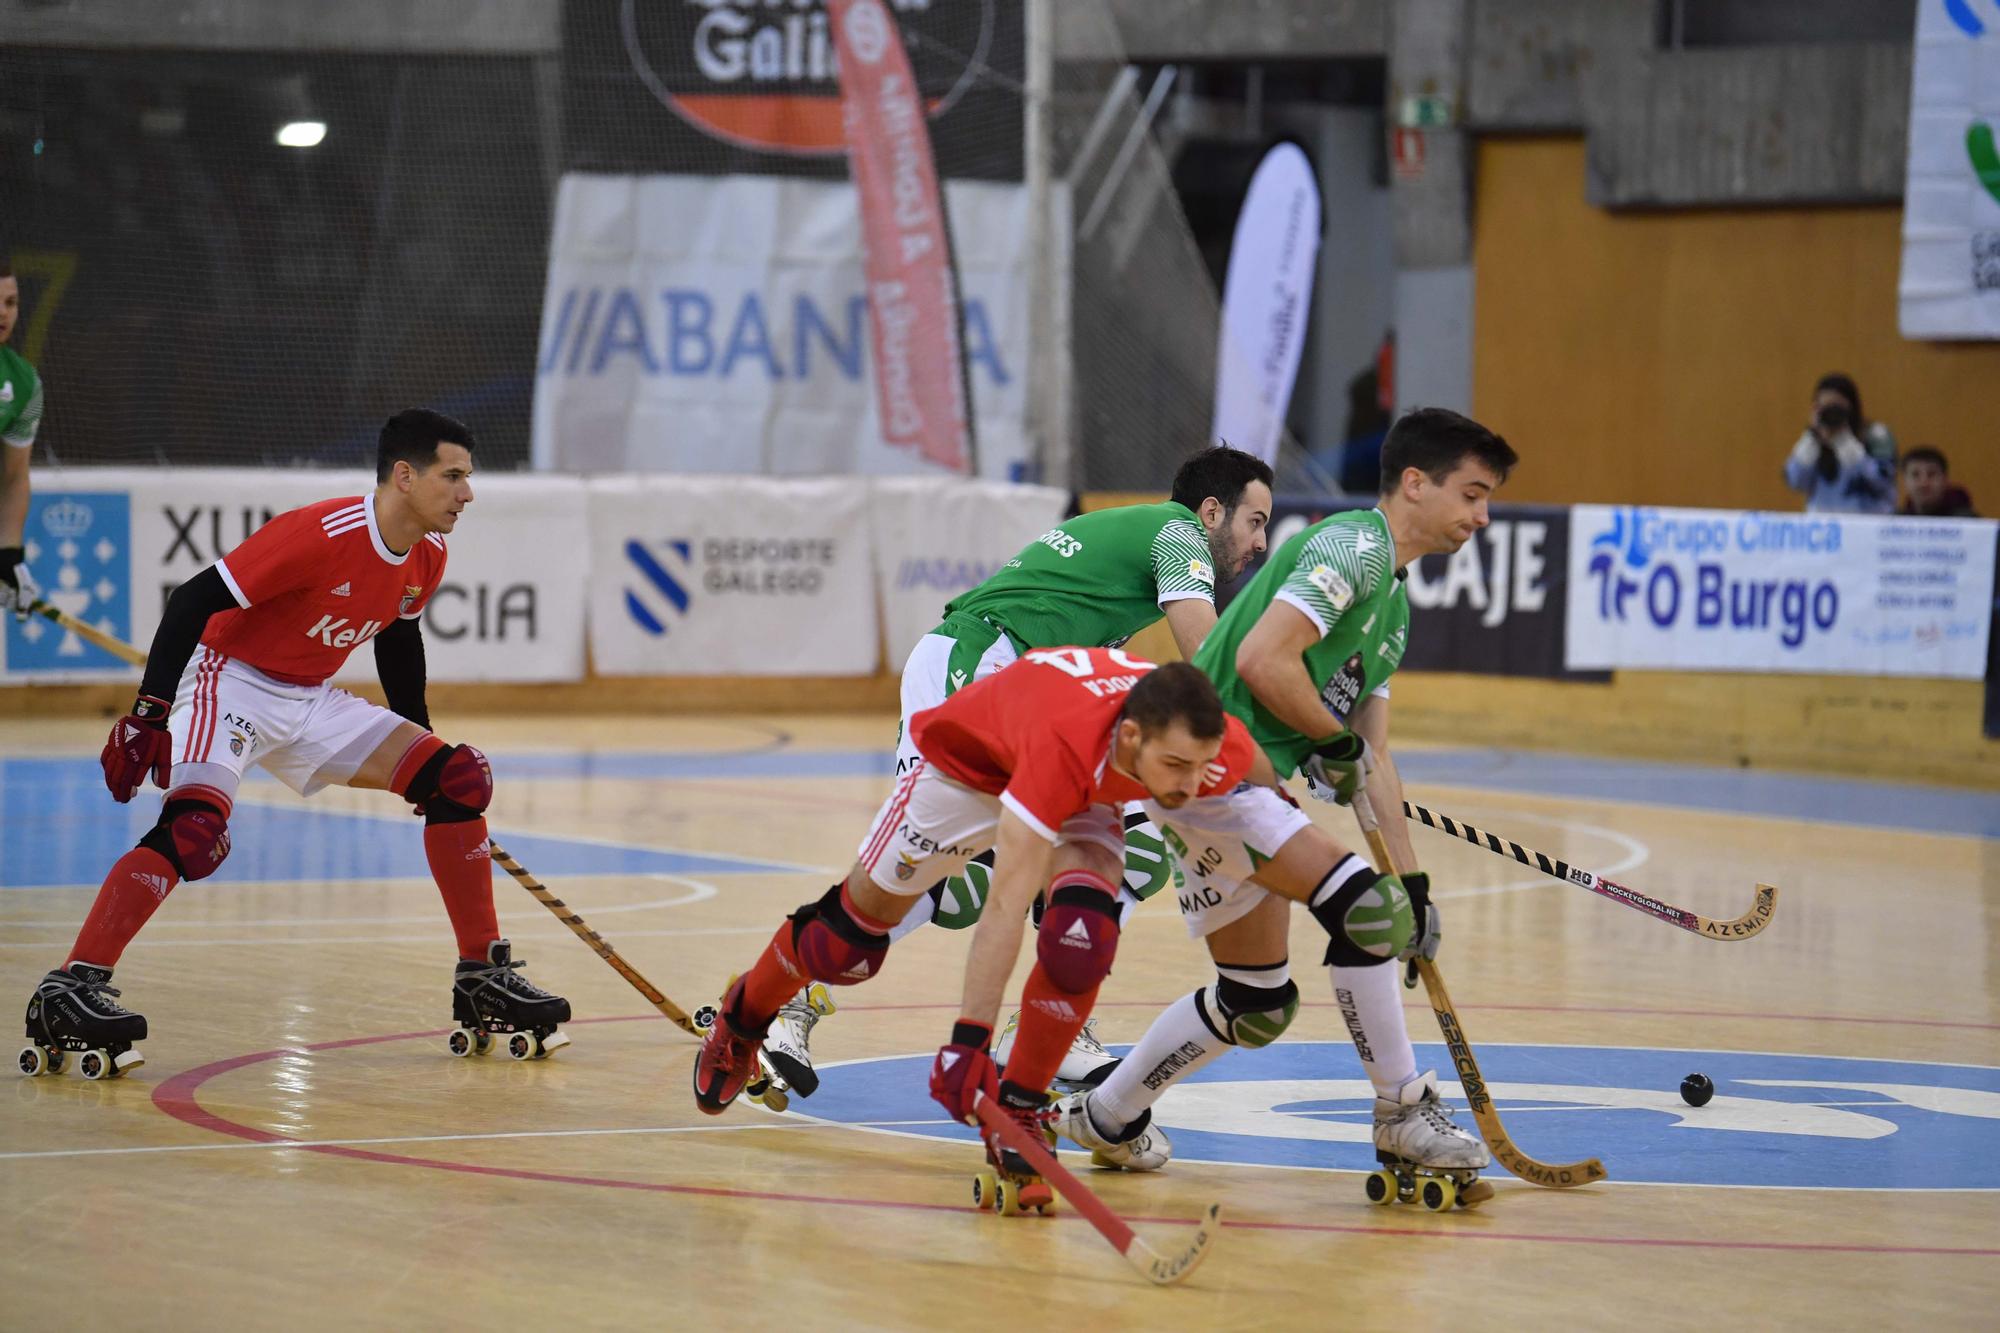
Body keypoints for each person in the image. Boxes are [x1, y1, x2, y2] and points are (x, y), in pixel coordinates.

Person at [1050, 408, 1516, 1204]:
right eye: (1471, 494)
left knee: (1255, 998)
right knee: (1364, 917)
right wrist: (1333, 747)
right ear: (1414, 482)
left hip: (1237, 789)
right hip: (1216, 769)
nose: (1481, 516)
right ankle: (1402, 1108)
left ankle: (1105, 1114)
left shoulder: (1393, 615)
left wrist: (1412, 883)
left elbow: (1375, 760)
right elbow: (1267, 661)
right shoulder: (1351, 547)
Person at [18, 410, 569, 1080]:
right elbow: (192, 599)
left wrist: (421, 753)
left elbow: (399, 639)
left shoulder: (428, 552)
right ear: (404, 475)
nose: (467, 492)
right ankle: (69, 987)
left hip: (309, 699)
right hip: (231, 683)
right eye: (453, 476)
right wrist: (148, 714)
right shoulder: (322, 532)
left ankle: (482, 980)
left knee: (457, 779)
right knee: (194, 831)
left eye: (467, 478)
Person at [755, 446, 1274, 1099]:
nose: (1259, 542)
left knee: (1137, 850)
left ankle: (1050, 1031)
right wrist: (1267, 740)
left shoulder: (1121, 564)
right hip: (977, 664)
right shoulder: (1178, 534)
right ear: (1211, 511)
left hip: (1028, 683)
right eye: (1254, 521)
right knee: (944, 866)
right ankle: (792, 998)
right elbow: (1207, 651)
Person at [690, 651, 1265, 1211]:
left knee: (1081, 942)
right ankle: (744, 1017)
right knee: (846, 948)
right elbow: (1004, 907)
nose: (1190, 788)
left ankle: (1020, 1108)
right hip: (969, 769)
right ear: (1135, 738)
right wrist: (968, 1044)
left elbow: (1274, 809)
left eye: (1201, 768)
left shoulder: (1205, 746)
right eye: (1177, 769)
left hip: (1092, 776)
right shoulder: (1061, 748)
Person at [0, 257, 46, 621]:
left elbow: (14, 478)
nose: (3, 313)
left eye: (10, 302)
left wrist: (9, 555)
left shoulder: (24, 383)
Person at [1783, 372, 1895, 514]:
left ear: (1851, 406)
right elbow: (1795, 481)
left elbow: (1882, 481)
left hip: (1867, 525)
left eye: (1836, 407)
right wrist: (1812, 437)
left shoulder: (1876, 434)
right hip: (1823, 526)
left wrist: (1844, 442)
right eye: (1826, 407)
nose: (1832, 413)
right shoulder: (1812, 441)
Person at [1897, 446, 1977, 517]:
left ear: (1944, 480)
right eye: (1915, 475)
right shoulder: (1894, 522)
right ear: (1904, 480)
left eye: (1931, 474)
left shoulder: (1968, 521)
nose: (1924, 483)